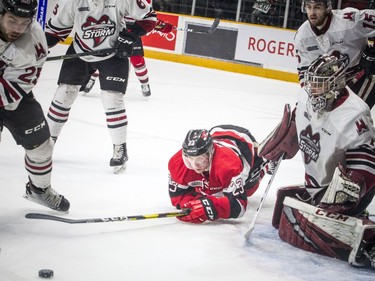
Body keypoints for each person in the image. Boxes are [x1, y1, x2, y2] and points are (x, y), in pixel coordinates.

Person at [260, 54, 375, 269]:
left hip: (347, 192)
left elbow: (367, 161)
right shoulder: (305, 95)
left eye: (319, 84)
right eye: (311, 82)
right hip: (318, 185)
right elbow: (295, 123)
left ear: (336, 84)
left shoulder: (355, 113)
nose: (312, 89)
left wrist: (349, 192)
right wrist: (282, 145)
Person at [44, 0, 157, 174]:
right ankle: (48, 143)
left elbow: (149, 18)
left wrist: (129, 36)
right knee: (63, 94)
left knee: (112, 99)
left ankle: (120, 148)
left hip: (114, 52)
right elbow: (55, 31)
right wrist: (38, 49)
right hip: (81, 51)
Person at [0, 0, 70, 211]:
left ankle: (38, 190)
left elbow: (15, 89)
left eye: (24, 22)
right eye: (12, 20)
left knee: (41, 145)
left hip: (12, 94)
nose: (17, 29)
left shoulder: (35, 41)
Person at [168, 125, 268, 224]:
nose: (194, 165)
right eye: (189, 159)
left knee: (248, 190)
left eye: (200, 159)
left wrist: (210, 207)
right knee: (208, 190)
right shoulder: (177, 163)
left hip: (243, 142)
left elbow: (239, 205)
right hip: (216, 135)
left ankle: (266, 165)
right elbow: (178, 198)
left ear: (210, 153)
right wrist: (195, 204)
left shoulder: (228, 165)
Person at [294, 0, 375, 109]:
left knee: (351, 114)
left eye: (317, 7)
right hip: (330, 83)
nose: (312, 12)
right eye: (309, 7)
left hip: (362, 74)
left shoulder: (350, 21)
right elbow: (304, 70)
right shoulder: (302, 36)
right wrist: (310, 95)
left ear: (327, 8)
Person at [81, 18, 174, 97]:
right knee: (105, 57)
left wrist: (160, 25)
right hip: (115, 31)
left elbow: (146, 14)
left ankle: (145, 84)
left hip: (133, 33)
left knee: (137, 60)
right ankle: (91, 79)